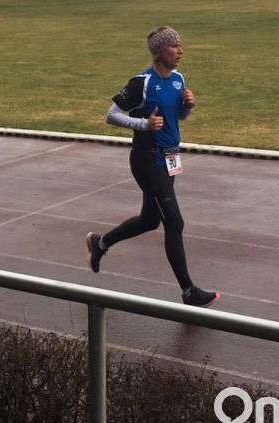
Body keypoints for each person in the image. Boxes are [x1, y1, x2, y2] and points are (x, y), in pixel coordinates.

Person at [85, 26, 219, 308]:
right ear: (160, 52)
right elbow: (111, 116)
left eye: (180, 45)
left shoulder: (178, 79)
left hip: (170, 158)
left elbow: (178, 116)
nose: (180, 51)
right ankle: (188, 292)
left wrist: (189, 106)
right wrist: (142, 124)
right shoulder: (141, 83)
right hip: (147, 160)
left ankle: (100, 244)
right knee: (174, 222)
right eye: (174, 46)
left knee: (149, 220)